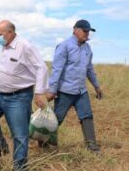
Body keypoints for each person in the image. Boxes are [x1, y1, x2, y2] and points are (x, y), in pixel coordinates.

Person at [0, 20, 48, 171]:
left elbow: (42, 67)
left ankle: (20, 169)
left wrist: (39, 93)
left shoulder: (25, 46)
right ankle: (1, 147)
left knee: (19, 134)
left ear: (10, 32)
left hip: (18, 97)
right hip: (0, 96)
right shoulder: (4, 47)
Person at [44, 19, 103, 153]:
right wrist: (52, 90)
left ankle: (92, 146)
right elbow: (56, 69)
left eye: (88, 31)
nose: (87, 34)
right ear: (75, 30)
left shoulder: (87, 48)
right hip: (65, 91)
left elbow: (89, 69)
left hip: (81, 91)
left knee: (87, 116)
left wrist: (96, 86)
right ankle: (45, 142)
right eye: (85, 31)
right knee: (57, 118)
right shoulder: (64, 46)